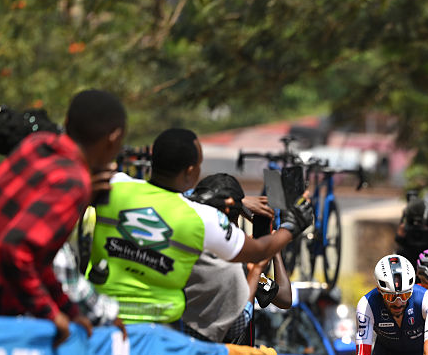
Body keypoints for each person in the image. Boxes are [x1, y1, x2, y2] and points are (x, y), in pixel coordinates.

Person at [0, 89, 127, 345]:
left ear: (67, 122)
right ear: (114, 138)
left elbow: (38, 259)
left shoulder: (37, 145)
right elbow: (14, 249)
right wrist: (50, 313)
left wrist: (69, 310)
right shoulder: (74, 181)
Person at [88, 128, 312, 324]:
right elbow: (260, 251)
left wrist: (238, 203)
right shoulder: (204, 221)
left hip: (103, 319)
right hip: (159, 335)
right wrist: (291, 226)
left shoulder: (114, 185)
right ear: (190, 172)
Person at [182, 173, 295, 343]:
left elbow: (285, 298)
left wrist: (270, 248)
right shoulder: (242, 267)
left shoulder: (182, 252)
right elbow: (283, 299)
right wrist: (271, 246)